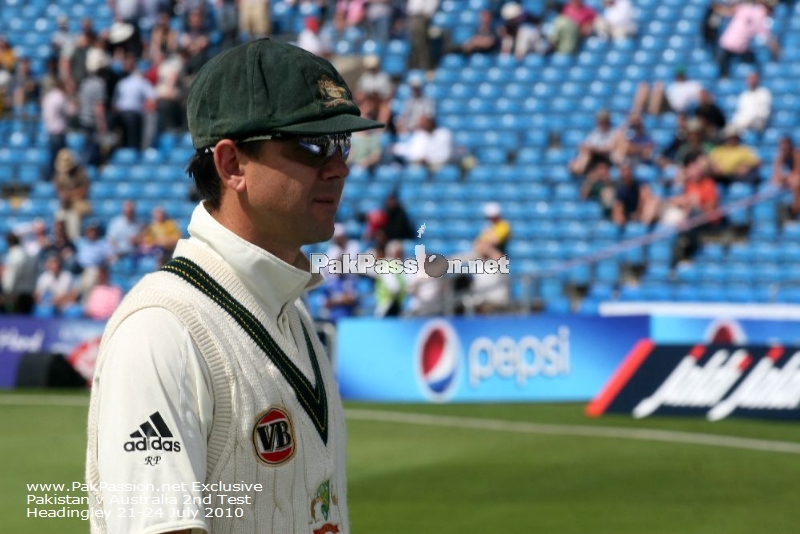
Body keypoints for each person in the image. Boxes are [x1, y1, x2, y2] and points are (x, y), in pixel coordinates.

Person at [85, 38, 384, 534]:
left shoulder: (292, 312)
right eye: (312, 145)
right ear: (231, 165)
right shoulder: (162, 330)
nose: (339, 167)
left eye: (342, 144)